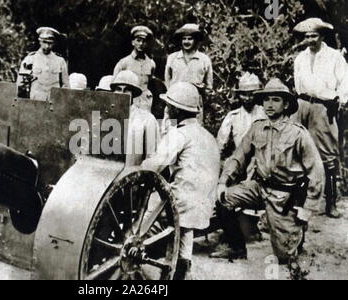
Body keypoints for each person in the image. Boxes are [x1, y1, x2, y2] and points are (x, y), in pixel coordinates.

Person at [209, 79, 325, 264]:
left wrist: (307, 208)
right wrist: (223, 182)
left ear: (286, 104)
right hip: (258, 186)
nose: (269, 105)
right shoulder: (257, 128)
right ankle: (236, 247)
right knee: (223, 199)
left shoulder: (298, 134)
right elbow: (238, 157)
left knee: (285, 258)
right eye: (266, 100)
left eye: (275, 100)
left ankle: (297, 231)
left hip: (284, 196)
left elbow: (316, 173)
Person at [142, 82, 220, 280]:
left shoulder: (178, 134)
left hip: (182, 203)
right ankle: (181, 269)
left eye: (168, 106)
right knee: (184, 230)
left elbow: (153, 166)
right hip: (203, 204)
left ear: (175, 109)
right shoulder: (207, 136)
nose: (166, 110)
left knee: (142, 211)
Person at [293, 18, 348, 218]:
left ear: (322, 36)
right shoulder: (300, 58)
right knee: (299, 150)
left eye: (314, 36)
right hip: (303, 104)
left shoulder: (334, 57)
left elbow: (344, 82)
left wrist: (339, 101)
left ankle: (331, 202)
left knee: (328, 154)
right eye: (307, 36)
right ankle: (301, 200)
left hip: (324, 106)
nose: (310, 40)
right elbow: (298, 85)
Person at [110, 70, 160, 166]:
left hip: (132, 176)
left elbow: (152, 157)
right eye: (118, 89)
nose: (122, 93)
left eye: (127, 90)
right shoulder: (105, 116)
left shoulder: (147, 119)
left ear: (133, 93)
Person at [217, 73, 266, 158]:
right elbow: (220, 144)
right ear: (239, 95)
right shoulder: (233, 116)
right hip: (240, 160)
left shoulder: (265, 113)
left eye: (251, 94)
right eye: (244, 94)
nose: (247, 98)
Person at [17, 27, 70, 100]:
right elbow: (20, 84)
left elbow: (66, 86)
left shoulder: (60, 61)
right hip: (35, 102)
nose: (47, 46)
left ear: (54, 43)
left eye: (50, 43)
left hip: (54, 102)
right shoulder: (30, 59)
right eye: (44, 42)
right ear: (40, 41)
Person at [114, 26, 156, 110]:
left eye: (144, 41)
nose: (141, 44)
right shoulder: (123, 63)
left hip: (145, 102)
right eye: (138, 40)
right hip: (129, 101)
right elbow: (115, 85)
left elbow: (150, 81)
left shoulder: (151, 63)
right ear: (133, 42)